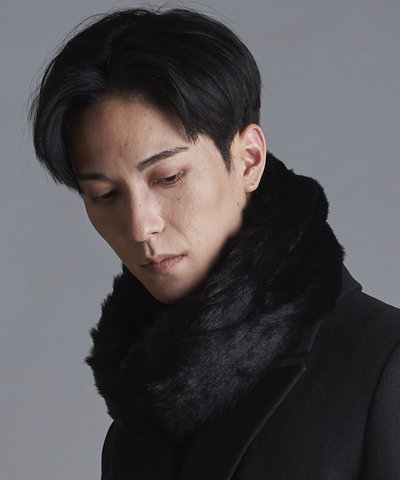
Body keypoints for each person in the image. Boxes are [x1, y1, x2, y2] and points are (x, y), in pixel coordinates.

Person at [30, 7, 400, 480]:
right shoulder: (136, 415)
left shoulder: (384, 366)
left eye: (168, 177)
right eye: (104, 195)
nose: (140, 226)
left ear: (249, 159)